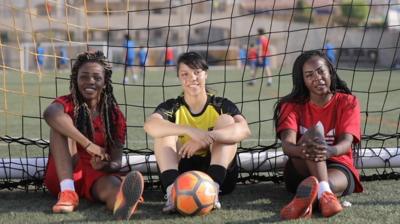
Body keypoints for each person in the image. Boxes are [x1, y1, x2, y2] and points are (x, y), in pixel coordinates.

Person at [144, 51, 251, 213]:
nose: (192, 78)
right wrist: (189, 130)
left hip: (220, 177)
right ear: (179, 78)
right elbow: (150, 126)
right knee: (164, 130)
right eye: (185, 74)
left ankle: (212, 191)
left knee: (227, 121)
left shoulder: (220, 104)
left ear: (205, 74)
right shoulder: (172, 107)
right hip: (182, 175)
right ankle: (172, 193)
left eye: (197, 72)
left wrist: (206, 138)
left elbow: (244, 129)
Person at [43, 50, 144, 220]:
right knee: (60, 125)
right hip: (64, 173)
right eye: (84, 76)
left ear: (105, 82)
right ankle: (68, 193)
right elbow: (50, 113)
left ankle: (121, 202)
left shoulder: (114, 116)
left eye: (97, 77)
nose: (90, 81)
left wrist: (104, 166)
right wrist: (89, 144)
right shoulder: (67, 103)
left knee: (113, 186)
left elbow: (116, 162)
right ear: (76, 80)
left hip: (95, 174)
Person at [273, 50, 363, 220]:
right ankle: (326, 196)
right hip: (300, 166)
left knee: (326, 183)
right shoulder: (291, 105)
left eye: (321, 71)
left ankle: (316, 196)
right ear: (303, 81)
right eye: (309, 75)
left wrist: (328, 151)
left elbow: (346, 143)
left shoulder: (348, 102)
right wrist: (304, 150)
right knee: (315, 132)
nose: (317, 77)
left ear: (330, 71)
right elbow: (287, 145)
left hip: (337, 163)